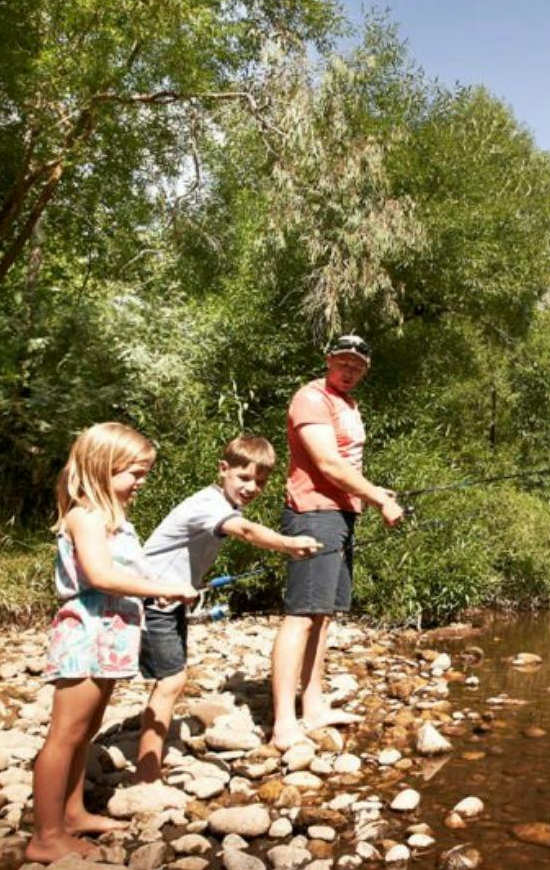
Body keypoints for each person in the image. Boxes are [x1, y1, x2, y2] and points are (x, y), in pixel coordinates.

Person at [29, 423, 197, 862]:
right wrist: (165, 589)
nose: (141, 482)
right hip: (86, 635)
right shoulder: (85, 516)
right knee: (64, 736)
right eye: (134, 474)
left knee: (85, 734)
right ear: (102, 470)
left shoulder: (116, 521)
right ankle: (45, 836)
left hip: (112, 637)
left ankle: (73, 814)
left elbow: (124, 575)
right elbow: (100, 576)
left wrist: (155, 586)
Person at [133, 434, 321, 783]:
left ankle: (147, 757)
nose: (252, 487)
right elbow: (246, 531)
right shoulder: (209, 504)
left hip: (167, 598)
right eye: (244, 478)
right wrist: (287, 544)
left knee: (167, 678)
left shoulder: (220, 504)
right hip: (152, 598)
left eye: (260, 482)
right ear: (223, 469)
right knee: (171, 681)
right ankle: (146, 774)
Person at [271, 333, 403, 748]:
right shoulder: (311, 398)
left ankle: (312, 707)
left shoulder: (349, 404)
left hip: (342, 513)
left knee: (323, 614)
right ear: (329, 360)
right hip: (313, 512)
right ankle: (282, 724)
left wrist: (369, 492)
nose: (350, 370)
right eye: (344, 361)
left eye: (358, 365)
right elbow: (327, 463)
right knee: (301, 613)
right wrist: (379, 496)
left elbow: (345, 465)